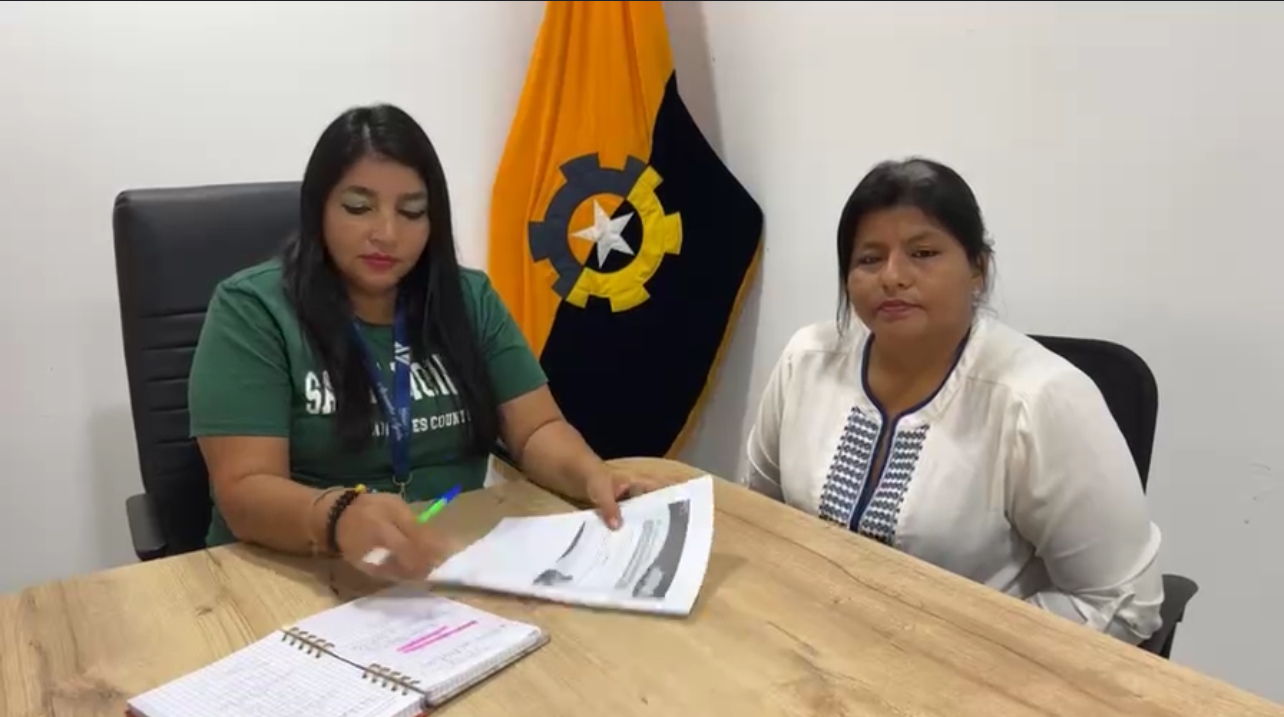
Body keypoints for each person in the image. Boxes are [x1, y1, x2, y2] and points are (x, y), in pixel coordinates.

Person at [188, 103, 665, 583]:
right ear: (318, 212)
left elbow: (535, 429)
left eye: (412, 212)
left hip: (447, 557)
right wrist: (337, 517)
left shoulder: (469, 299)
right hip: (292, 569)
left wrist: (591, 474)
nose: (387, 234)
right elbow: (244, 489)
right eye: (358, 208)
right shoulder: (255, 309)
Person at [743, 157, 1164, 644]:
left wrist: (952, 639)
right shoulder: (806, 361)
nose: (893, 276)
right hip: (805, 644)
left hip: (970, 665)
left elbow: (1122, 601)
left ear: (977, 269)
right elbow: (755, 511)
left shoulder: (1039, 400)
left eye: (922, 253)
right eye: (869, 259)